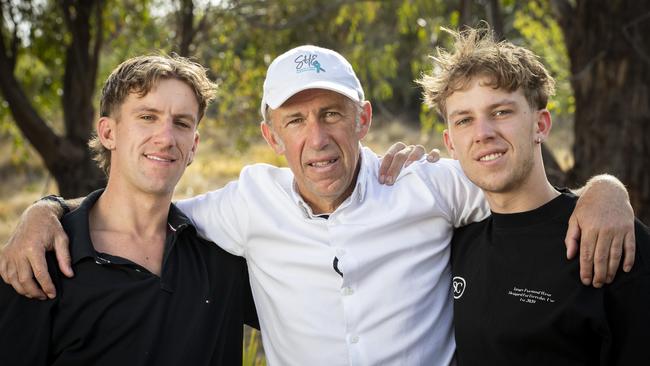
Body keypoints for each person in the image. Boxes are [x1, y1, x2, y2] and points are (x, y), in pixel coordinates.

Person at [0, 45, 636, 365]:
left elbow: (523, 188)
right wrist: (46, 211)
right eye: (296, 120)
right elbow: (137, 199)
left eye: (332, 113)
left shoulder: (429, 186)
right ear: (271, 135)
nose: (318, 136)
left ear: (362, 119)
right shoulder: (245, 204)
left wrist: (607, 191)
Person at [0, 55, 260, 365]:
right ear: (109, 133)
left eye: (181, 123)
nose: (165, 138)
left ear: (193, 145)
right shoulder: (39, 261)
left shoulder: (222, 253)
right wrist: (45, 208)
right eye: (147, 117)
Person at [418, 26, 650, 365]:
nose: (483, 133)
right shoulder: (454, 245)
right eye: (465, 120)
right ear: (451, 143)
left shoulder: (608, 238)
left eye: (501, 112)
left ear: (540, 125)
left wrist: (608, 188)